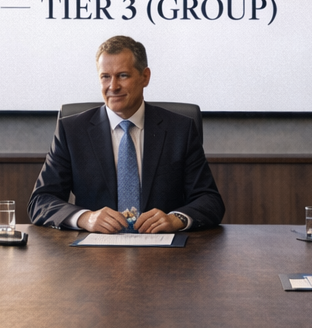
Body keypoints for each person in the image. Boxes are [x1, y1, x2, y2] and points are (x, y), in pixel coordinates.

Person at [28, 36, 224, 233]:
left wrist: (176, 219)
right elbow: (40, 201)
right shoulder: (71, 131)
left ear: (145, 77)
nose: (113, 86)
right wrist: (85, 218)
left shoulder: (180, 130)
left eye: (123, 76)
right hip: (93, 248)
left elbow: (210, 200)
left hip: (162, 247)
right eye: (105, 77)